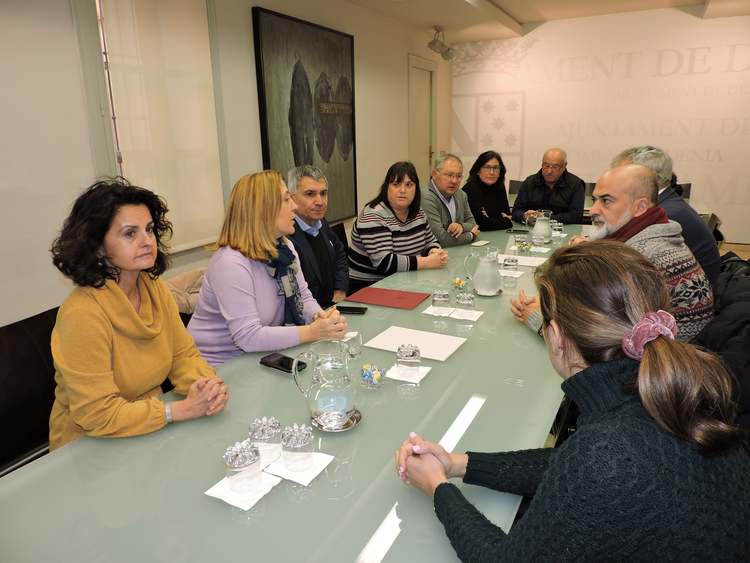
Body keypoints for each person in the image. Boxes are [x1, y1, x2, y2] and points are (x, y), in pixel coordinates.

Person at [395, 241, 750, 561]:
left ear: (555, 337)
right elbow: (575, 468)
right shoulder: (668, 390)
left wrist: (437, 487)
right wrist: (459, 464)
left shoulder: (608, 448)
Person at [48, 179, 229, 450]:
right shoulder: (82, 313)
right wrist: (177, 411)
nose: (147, 241)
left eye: (149, 230)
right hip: (87, 447)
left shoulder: (154, 289)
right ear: (98, 246)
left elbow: (183, 357)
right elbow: (97, 415)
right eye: (130, 233)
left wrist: (205, 386)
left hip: (149, 428)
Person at [514, 164, 714, 341]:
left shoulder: (639, 259)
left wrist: (539, 320)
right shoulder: (654, 234)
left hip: (656, 370)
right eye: (595, 200)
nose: (593, 210)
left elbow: (598, 342)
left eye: (606, 201)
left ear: (640, 207)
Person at [188, 171, 347, 366]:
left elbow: (303, 297)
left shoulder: (284, 247)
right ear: (264, 210)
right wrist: (313, 331)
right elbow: (248, 336)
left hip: (260, 358)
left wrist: (320, 317)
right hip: (217, 368)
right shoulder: (230, 263)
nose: (294, 207)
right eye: (287, 200)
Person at [610, 145, 721, 287]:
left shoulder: (666, 215)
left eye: (622, 176)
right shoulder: (668, 203)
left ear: (650, 179)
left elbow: (628, 261)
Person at [348, 161, 448, 292]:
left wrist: (434, 251)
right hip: (371, 287)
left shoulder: (417, 212)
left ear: (416, 189)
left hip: (405, 281)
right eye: (396, 184)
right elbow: (385, 263)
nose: (402, 190)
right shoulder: (373, 215)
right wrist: (428, 262)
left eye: (409, 185)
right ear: (387, 188)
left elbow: (430, 240)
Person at [286, 165, 348, 308]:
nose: (320, 201)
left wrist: (340, 290)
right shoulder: (287, 234)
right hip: (308, 317)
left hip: (332, 309)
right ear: (291, 197)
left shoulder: (322, 224)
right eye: (310, 194)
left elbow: (340, 254)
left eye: (323, 193)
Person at [511, 148, 584, 224]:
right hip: (532, 230)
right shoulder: (529, 182)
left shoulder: (576, 185)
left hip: (563, 230)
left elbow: (576, 216)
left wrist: (545, 217)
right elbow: (516, 211)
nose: (549, 171)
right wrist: (524, 216)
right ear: (541, 164)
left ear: (564, 166)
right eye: (546, 166)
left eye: (555, 167)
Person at [422, 154, 480, 247]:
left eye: (459, 176)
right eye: (449, 175)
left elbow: (473, 224)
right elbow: (440, 239)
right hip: (433, 256)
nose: (454, 181)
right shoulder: (426, 197)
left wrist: (461, 226)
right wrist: (471, 235)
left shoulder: (461, 195)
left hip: (458, 252)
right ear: (434, 174)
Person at [461, 150, 512, 231]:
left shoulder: (499, 186)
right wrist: (506, 221)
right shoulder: (471, 188)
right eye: (487, 167)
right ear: (478, 170)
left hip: (499, 234)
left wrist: (492, 220)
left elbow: (507, 213)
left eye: (496, 168)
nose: (492, 172)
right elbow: (481, 224)